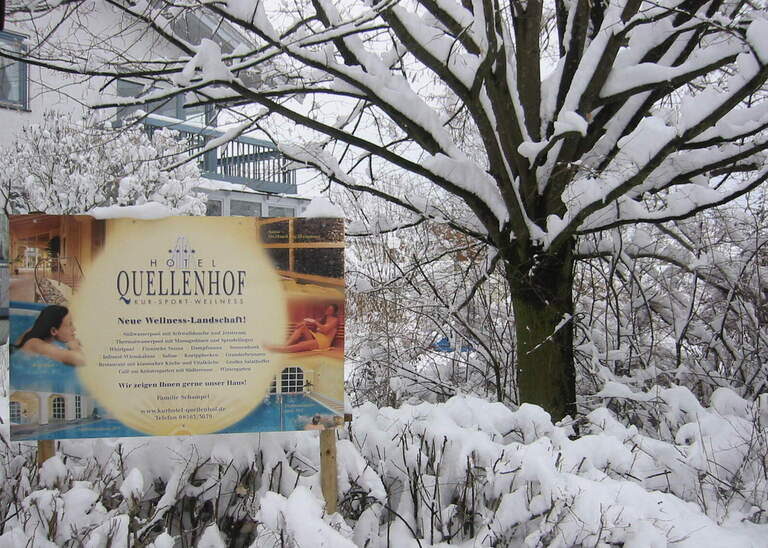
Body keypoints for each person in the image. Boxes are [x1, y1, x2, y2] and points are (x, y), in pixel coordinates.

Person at [14, 305, 85, 366]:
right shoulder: (36, 344)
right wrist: (74, 347)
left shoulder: (37, 329)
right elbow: (80, 360)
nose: (74, 329)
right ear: (53, 331)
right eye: (70, 324)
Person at [267, 304, 340, 353]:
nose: (328, 311)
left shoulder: (335, 320)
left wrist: (315, 322)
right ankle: (285, 345)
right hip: (316, 338)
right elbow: (308, 320)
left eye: (330, 310)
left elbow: (325, 329)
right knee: (302, 326)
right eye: (327, 309)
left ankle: (281, 349)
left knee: (302, 344)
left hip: (323, 342)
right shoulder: (323, 318)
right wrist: (302, 323)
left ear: (334, 312)